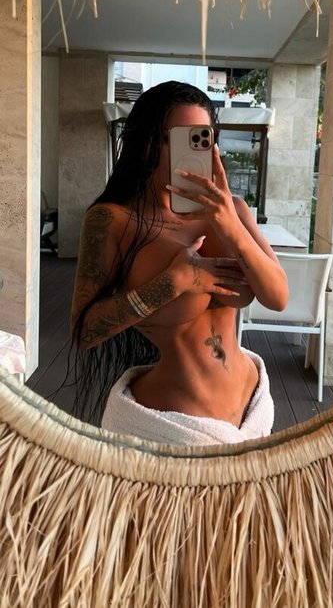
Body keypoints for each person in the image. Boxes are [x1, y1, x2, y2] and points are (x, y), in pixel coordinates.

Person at [71, 81, 288, 446]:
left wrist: (230, 226)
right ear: (145, 142)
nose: (184, 152)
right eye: (171, 138)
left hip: (252, 409)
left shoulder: (233, 211)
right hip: (173, 425)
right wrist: (173, 282)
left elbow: (278, 297)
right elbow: (85, 332)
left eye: (198, 139)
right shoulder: (112, 221)